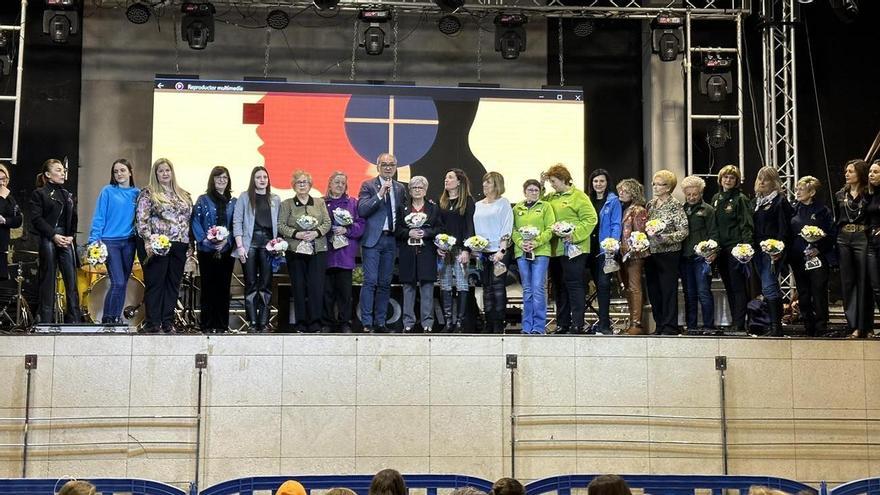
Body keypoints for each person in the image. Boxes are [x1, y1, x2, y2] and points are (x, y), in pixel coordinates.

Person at [136, 158, 193, 333]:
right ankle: (153, 322)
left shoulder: (183, 194)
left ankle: (168, 321)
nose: (165, 173)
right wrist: (148, 240)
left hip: (180, 244)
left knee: (173, 285)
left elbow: (188, 220)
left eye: (167, 170)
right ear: (156, 174)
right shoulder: (148, 193)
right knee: (156, 283)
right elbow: (141, 219)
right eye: (161, 171)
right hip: (159, 245)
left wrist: (190, 245)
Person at [542, 163, 598, 334]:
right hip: (555, 249)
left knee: (574, 284)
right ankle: (562, 323)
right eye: (550, 181)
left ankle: (578, 322)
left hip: (575, 248)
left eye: (553, 181)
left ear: (563, 179)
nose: (552, 184)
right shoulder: (550, 198)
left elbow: (590, 219)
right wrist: (541, 183)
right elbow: (538, 205)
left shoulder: (579, 197)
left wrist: (573, 235)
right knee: (559, 286)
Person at [358, 153, 408, 333]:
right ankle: (366, 322)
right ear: (378, 166)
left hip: (391, 240)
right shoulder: (368, 185)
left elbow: (402, 214)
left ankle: (380, 322)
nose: (388, 167)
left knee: (385, 283)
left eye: (392, 164)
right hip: (373, 240)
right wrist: (380, 194)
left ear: (396, 167)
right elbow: (362, 210)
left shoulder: (401, 188)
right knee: (370, 281)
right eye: (384, 164)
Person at [87, 159, 139, 324]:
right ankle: (109, 319)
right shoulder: (108, 191)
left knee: (122, 283)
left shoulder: (138, 194)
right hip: (110, 243)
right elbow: (99, 216)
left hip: (130, 243)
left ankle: (112, 318)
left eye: (122, 170)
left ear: (130, 172)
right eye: (116, 171)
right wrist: (94, 240)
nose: (119, 174)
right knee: (117, 282)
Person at [279, 170, 331, 333]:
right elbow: (281, 225)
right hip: (295, 250)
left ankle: (315, 321)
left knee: (316, 286)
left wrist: (316, 233)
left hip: (317, 249)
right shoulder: (286, 204)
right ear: (293, 185)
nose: (302, 185)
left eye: (305, 182)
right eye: (299, 182)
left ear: (310, 185)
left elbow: (327, 222)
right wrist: (296, 234)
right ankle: (301, 321)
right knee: (299, 286)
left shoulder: (319, 202)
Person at [30, 159, 81, 324]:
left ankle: (75, 319)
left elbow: (73, 217)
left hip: (66, 238)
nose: (62, 173)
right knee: (48, 279)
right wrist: (53, 235)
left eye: (62, 170)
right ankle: (45, 319)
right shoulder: (40, 193)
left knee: (71, 279)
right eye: (58, 170)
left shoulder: (67, 195)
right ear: (48, 175)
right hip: (50, 237)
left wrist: (71, 235)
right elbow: (36, 219)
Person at [233, 166, 281, 333]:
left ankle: (264, 322)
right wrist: (240, 246)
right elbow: (237, 221)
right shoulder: (245, 197)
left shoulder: (275, 199)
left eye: (265, 177)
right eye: (258, 177)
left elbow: (278, 225)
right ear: (253, 180)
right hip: (249, 244)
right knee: (251, 284)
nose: (262, 180)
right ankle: (253, 322)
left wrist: (278, 244)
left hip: (269, 245)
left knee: (266, 285)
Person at [192, 166, 236, 333]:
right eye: (218, 177)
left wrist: (227, 241)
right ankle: (207, 324)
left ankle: (222, 324)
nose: (221, 180)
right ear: (212, 180)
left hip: (226, 251)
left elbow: (235, 224)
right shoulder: (203, 199)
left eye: (225, 177)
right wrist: (207, 241)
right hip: (206, 251)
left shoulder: (234, 201)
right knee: (208, 286)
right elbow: (196, 221)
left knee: (224, 287)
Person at [395, 175, 442, 332]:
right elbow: (397, 230)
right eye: (414, 187)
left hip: (427, 253)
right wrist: (409, 233)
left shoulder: (433, 208)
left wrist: (425, 233)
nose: (417, 190)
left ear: (425, 190)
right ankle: (408, 323)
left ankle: (427, 323)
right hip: (408, 254)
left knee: (427, 287)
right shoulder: (403, 208)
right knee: (408, 287)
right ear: (409, 190)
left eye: (420, 187)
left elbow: (439, 229)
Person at [790, 176, 835, 337]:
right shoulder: (793, 209)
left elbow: (831, 235)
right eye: (797, 189)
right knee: (803, 293)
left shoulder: (822, 210)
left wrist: (818, 249)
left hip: (818, 258)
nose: (797, 192)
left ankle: (821, 327)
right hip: (798, 258)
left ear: (812, 192)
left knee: (818, 291)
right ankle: (808, 327)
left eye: (801, 189)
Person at [711, 165, 754, 333]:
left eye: (732, 178)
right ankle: (735, 319)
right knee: (728, 285)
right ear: (720, 179)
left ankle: (740, 322)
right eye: (726, 177)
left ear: (736, 181)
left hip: (735, 248)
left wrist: (745, 246)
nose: (728, 180)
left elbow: (746, 224)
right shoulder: (716, 197)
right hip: (720, 248)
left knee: (738, 286)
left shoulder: (740, 198)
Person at [645, 169, 688, 335]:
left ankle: (670, 325)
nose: (656, 188)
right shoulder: (651, 205)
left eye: (660, 184)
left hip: (668, 253)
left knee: (668, 290)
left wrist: (665, 238)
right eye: (654, 184)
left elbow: (683, 231)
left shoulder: (675, 205)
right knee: (654, 291)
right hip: (651, 253)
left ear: (669, 187)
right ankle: (660, 324)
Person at [752, 166, 793, 336]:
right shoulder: (756, 202)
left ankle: (776, 326)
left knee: (769, 286)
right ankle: (771, 324)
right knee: (766, 286)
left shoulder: (780, 201)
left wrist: (778, 248)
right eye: (759, 178)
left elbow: (784, 228)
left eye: (766, 179)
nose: (762, 182)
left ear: (774, 182)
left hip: (772, 250)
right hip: (757, 250)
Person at [323, 171, 365, 333]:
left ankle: (345, 322)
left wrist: (345, 229)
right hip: (326, 254)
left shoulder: (352, 203)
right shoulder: (321, 203)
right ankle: (327, 322)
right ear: (330, 184)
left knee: (345, 293)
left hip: (345, 255)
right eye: (336, 182)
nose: (340, 185)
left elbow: (361, 226)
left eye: (343, 183)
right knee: (326, 292)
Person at [511, 179, 555, 334]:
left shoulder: (546, 207)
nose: (533, 193)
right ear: (525, 192)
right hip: (522, 252)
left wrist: (536, 242)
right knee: (527, 289)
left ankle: (539, 326)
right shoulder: (517, 208)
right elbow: (514, 229)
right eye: (530, 190)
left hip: (541, 252)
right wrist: (520, 242)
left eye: (536, 190)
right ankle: (527, 326)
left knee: (538, 288)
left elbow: (550, 229)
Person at [835, 159, 872, 338]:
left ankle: (865, 325)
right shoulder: (840, 194)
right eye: (846, 171)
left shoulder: (869, 194)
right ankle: (853, 325)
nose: (847, 174)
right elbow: (836, 219)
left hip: (862, 237)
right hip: (843, 238)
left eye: (851, 171)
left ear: (860, 173)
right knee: (847, 282)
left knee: (864, 281)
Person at [474, 171, 514, 333]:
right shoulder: (478, 205)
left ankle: (498, 322)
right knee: (486, 287)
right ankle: (488, 322)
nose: (484, 185)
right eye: (484, 182)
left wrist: (501, 250)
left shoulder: (503, 203)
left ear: (497, 185)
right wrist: (475, 248)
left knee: (498, 286)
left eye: (489, 182)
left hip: (499, 251)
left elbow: (506, 227)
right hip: (482, 252)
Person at [438, 168, 476, 332]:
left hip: (461, 248)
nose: (446, 180)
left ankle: (460, 322)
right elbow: (439, 226)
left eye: (450, 177)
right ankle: (448, 321)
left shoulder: (467, 201)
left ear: (459, 181)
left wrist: (467, 249)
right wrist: (439, 245)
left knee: (461, 284)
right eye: (446, 177)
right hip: (445, 250)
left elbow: (469, 226)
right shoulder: (443, 202)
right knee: (445, 284)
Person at [679, 175, 719, 333]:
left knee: (703, 292)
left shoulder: (708, 210)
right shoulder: (682, 209)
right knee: (689, 293)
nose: (691, 197)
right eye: (688, 194)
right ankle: (692, 326)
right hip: (685, 258)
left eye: (694, 194)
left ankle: (709, 325)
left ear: (701, 193)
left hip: (702, 259)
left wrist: (713, 252)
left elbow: (714, 234)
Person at [587, 168, 622, 334]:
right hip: (588, 250)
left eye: (601, 181)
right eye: (595, 181)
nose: (598, 184)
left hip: (605, 251)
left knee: (603, 285)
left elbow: (616, 224)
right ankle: (586, 324)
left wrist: (612, 244)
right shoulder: (587, 200)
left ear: (607, 183)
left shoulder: (613, 201)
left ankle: (605, 324)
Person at [617, 179, 649, 335]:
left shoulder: (638, 210)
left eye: (625, 191)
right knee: (628, 288)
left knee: (635, 287)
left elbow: (640, 235)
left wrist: (632, 250)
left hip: (635, 254)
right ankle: (632, 321)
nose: (621, 193)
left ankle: (636, 323)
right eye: (620, 191)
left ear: (634, 193)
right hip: (624, 254)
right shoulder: (625, 209)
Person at [0, 163, 23, 281]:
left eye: (4, 179)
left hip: (2, 246)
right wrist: (1, 198)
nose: (1, 183)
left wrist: (5, 221)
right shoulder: (4, 196)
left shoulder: (10, 198)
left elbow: (18, 220)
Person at [867, 160, 880, 336]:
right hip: (871, 242)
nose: (871, 174)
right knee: (876, 286)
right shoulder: (869, 194)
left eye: (876, 172)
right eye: (870, 171)